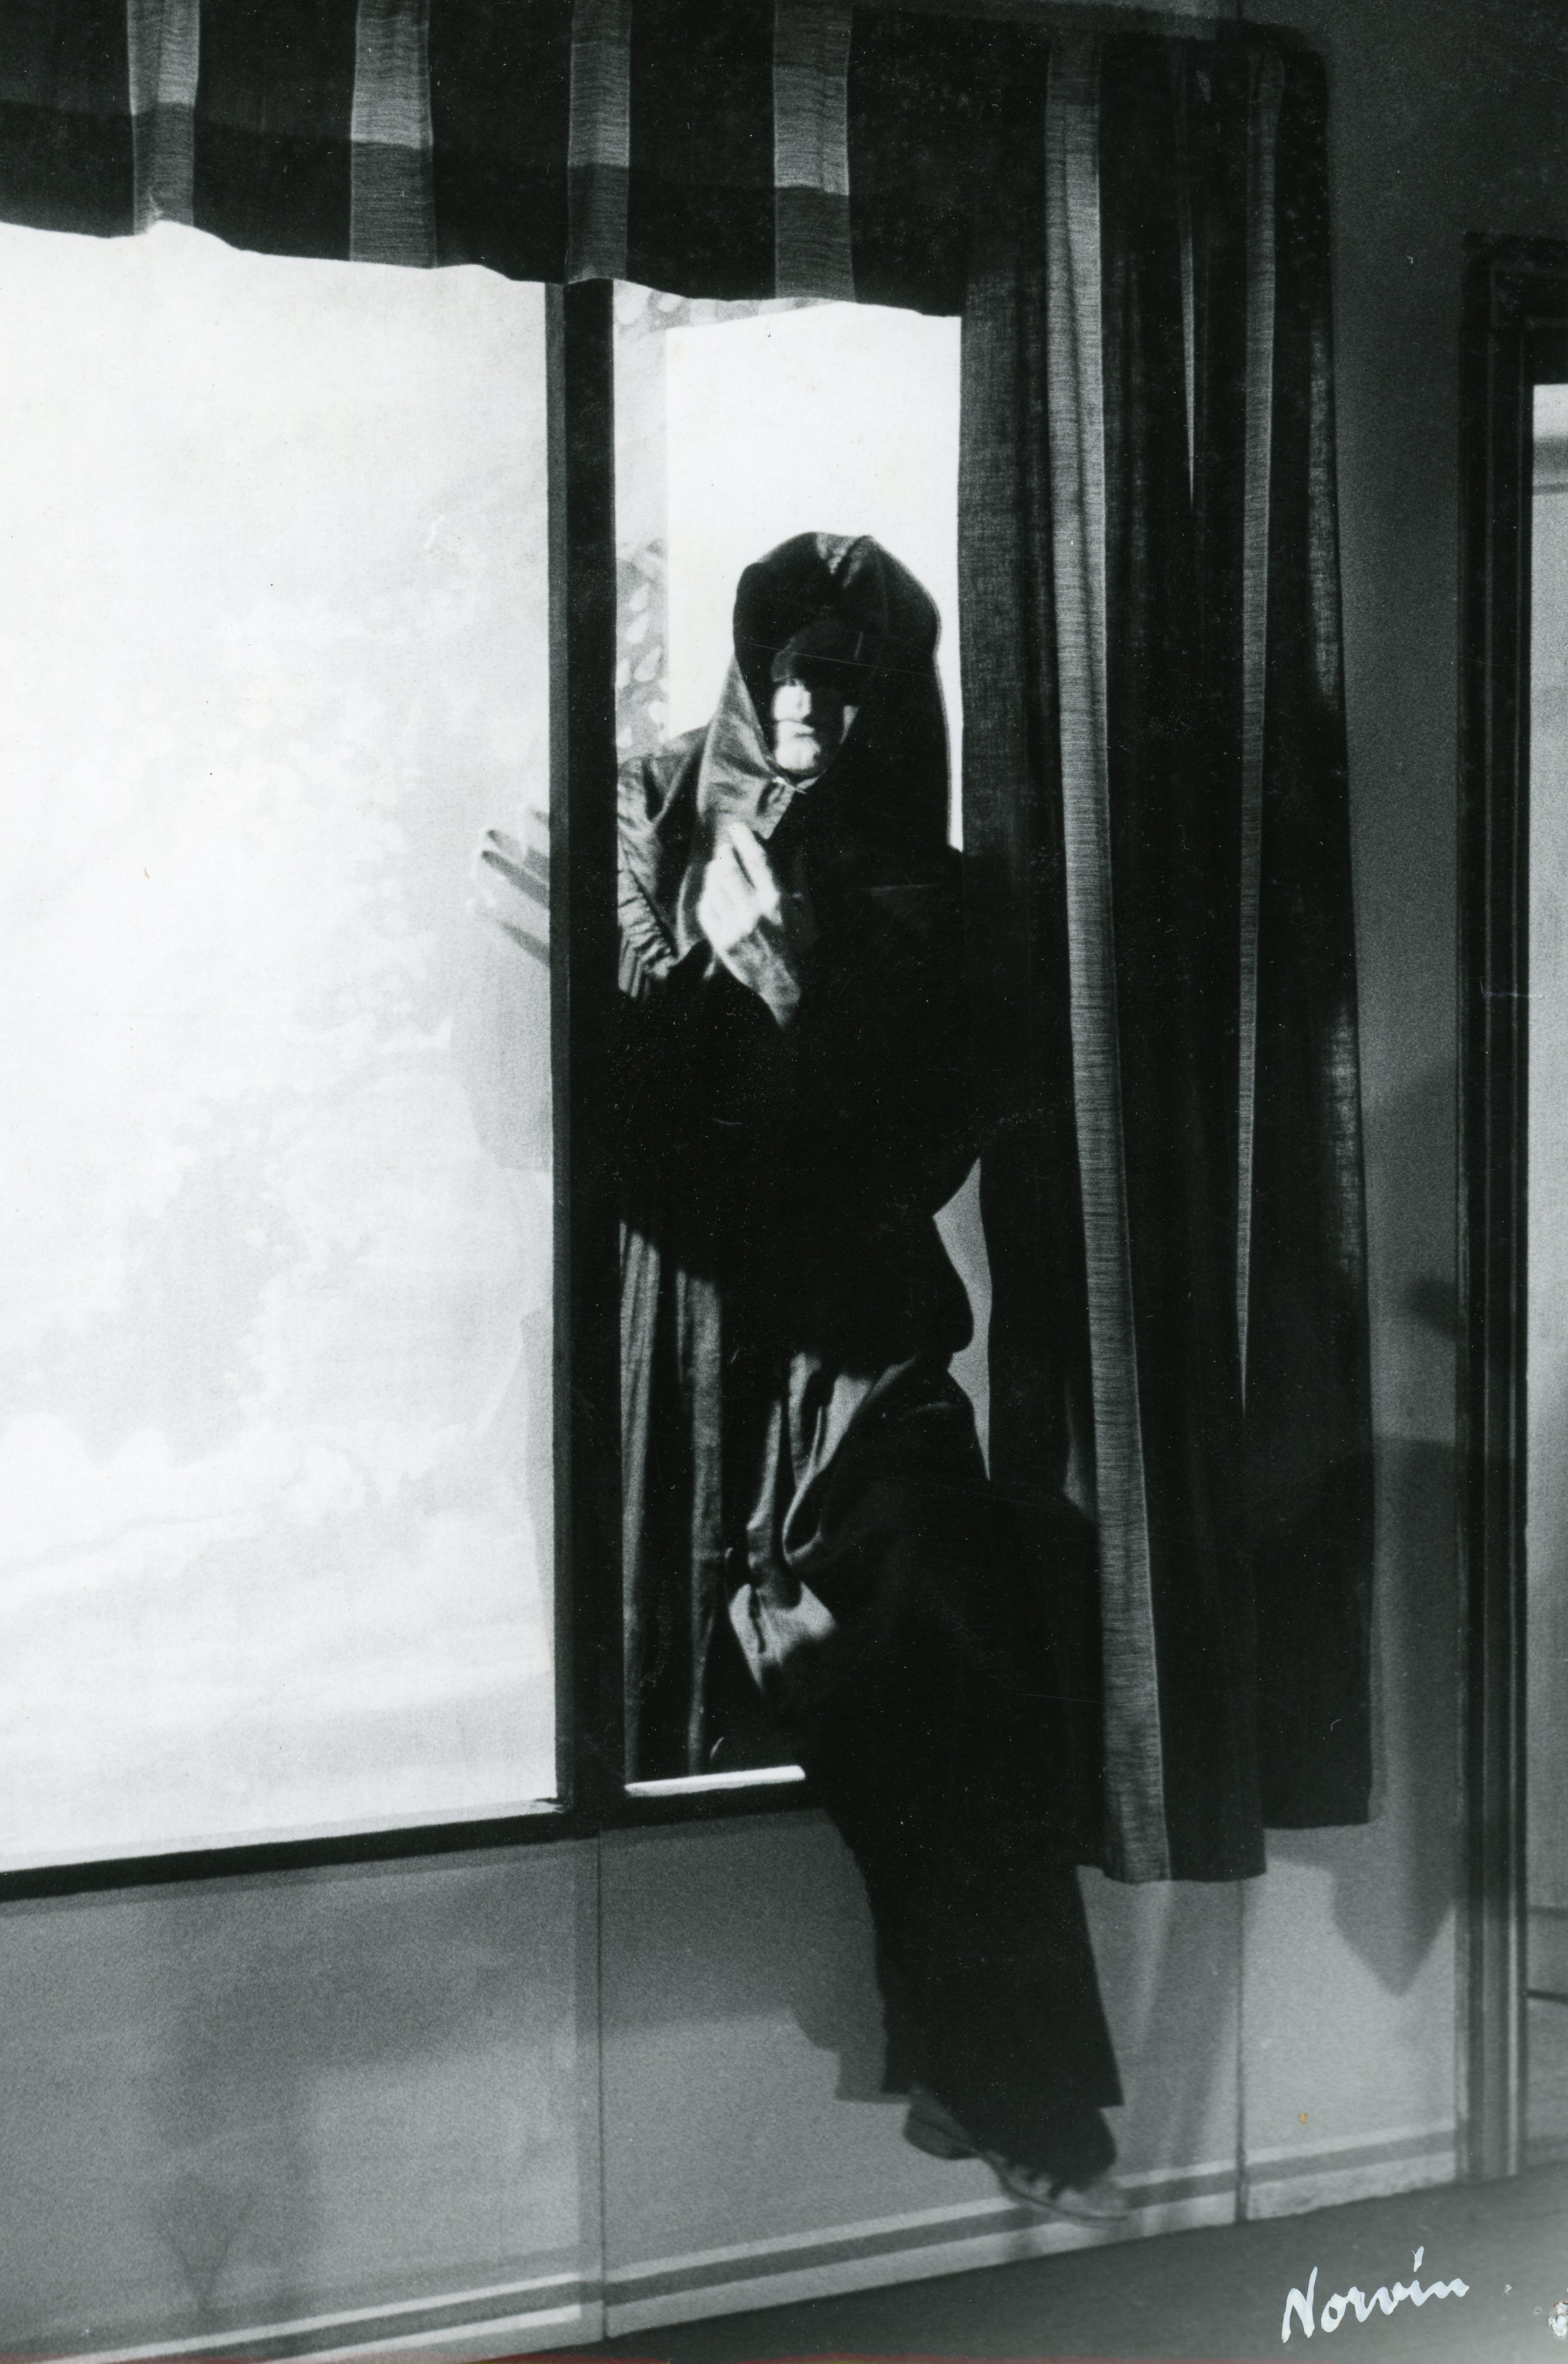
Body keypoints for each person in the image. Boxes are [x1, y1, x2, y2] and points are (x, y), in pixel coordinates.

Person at [612, 531, 1126, 2221]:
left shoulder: (943, 894)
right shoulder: (648, 814)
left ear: (898, 697)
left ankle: (1010, 2083)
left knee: (968, 1614)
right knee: (847, 1651)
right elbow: (639, 1145)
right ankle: (997, 2081)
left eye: (851, 676)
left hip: (870, 1349)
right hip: (703, 1357)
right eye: (787, 663)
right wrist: (715, 971)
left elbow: (920, 1153)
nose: (811, 701)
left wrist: (797, 985)